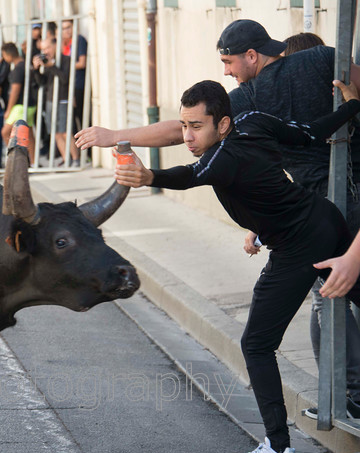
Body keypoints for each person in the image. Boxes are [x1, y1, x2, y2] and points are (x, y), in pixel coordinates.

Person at [75, 19, 360, 416]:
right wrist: (352, 105)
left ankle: (342, 400)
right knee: (337, 293)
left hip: (320, 209)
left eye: (228, 62)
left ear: (251, 55)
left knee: (323, 300)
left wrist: (116, 138)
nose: (226, 72)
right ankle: (343, 399)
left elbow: (181, 137)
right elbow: (310, 134)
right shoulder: (324, 59)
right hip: (331, 202)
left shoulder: (249, 100)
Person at [115, 79, 360, 453]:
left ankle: (279, 451)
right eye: (183, 126)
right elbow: (310, 133)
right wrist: (353, 106)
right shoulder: (256, 121)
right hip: (322, 219)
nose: (188, 136)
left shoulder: (220, 156)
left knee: (256, 343)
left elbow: (192, 174)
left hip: (299, 245)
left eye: (197, 126)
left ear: (223, 123)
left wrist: (150, 177)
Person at [34, 34, 78, 166]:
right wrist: (36, 70)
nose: (46, 51)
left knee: (65, 132)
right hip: (50, 100)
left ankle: (75, 159)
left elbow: (65, 79)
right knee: (56, 133)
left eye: (48, 47)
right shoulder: (47, 62)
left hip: (63, 99)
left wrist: (52, 66)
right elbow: (42, 83)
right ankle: (66, 159)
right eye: (43, 49)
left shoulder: (66, 60)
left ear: (55, 46)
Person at [0, 42, 36, 146]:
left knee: (6, 133)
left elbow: (15, 90)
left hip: (20, 106)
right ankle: (33, 162)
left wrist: (9, 110)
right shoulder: (26, 64)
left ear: (8, 55)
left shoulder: (17, 69)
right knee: (28, 134)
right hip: (30, 104)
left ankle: (15, 159)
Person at [61, 19, 88, 143]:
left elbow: (82, 63)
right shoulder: (66, 44)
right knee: (72, 119)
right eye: (63, 28)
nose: (66, 31)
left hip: (78, 84)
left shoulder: (79, 40)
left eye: (68, 27)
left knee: (82, 117)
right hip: (68, 85)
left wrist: (66, 66)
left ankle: (88, 152)